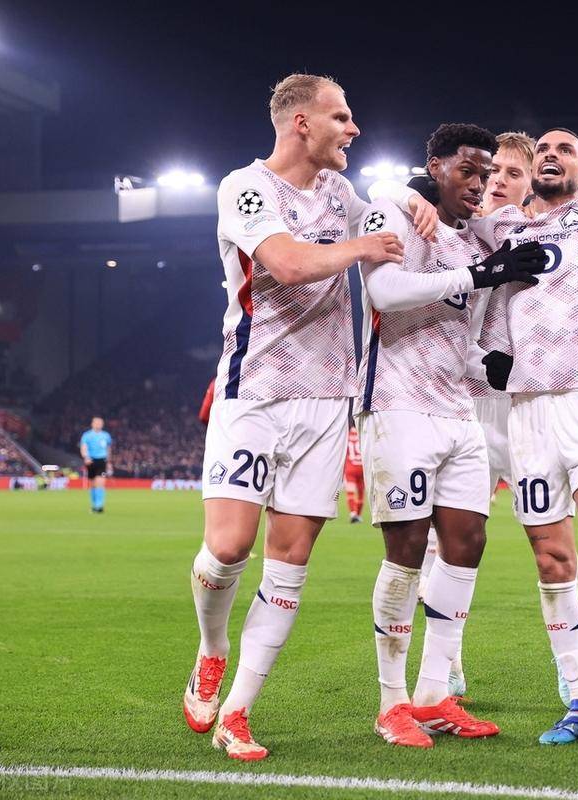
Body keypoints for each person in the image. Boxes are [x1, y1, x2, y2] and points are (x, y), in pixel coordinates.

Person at [372, 128, 578, 747]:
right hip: (523, 413)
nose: (551, 155)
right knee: (551, 561)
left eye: (565, 150)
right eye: (542, 150)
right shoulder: (499, 229)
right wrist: (407, 191)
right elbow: (398, 193)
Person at [182, 73, 407, 761]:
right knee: (228, 548)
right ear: (301, 123)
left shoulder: (340, 193)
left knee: (290, 560)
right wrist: (363, 248)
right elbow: (284, 263)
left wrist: (411, 203)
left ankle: (239, 712)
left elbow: (383, 216)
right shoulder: (244, 187)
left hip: (327, 399)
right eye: (341, 116)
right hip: (254, 390)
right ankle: (212, 649)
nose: (353, 128)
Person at [358, 123, 548, 749]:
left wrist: (488, 366)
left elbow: (456, 337)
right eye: (468, 170)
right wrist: (479, 275)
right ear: (435, 166)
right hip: (399, 405)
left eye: (486, 173)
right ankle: (391, 703)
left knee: (466, 542)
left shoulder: (468, 241)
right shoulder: (397, 214)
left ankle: (434, 694)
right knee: (407, 548)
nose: (480, 183)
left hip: (458, 409)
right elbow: (385, 291)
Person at [79, 416, 112, 513]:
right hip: (91, 461)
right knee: (93, 484)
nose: (99, 424)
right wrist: (86, 457)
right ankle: (94, 505)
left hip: (102, 461)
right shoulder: (87, 435)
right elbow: (83, 447)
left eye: (100, 423)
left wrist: (109, 462)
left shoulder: (106, 435)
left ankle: (99, 506)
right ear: (92, 424)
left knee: (100, 482)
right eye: (97, 423)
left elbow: (108, 449)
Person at [344, 418, 364, 523]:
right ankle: (359, 515)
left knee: (350, 491)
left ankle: (353, 513)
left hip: (350, 467)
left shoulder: (346, 436)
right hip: (362, 467)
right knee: (361, 492)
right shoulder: (362, 435)